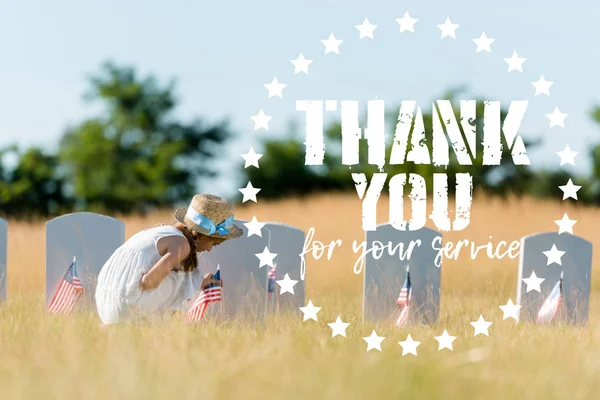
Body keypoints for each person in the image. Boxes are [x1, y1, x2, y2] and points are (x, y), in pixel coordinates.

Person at [95, 194, 243, 324]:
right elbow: (149, 282)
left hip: (105, 301)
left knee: (183, 276)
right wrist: (196, 283)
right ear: (202, 234)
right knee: (181, 279)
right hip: (128, 305)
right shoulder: (182, 245)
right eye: (214, 243)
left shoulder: (159, 230)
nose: (210, 249)